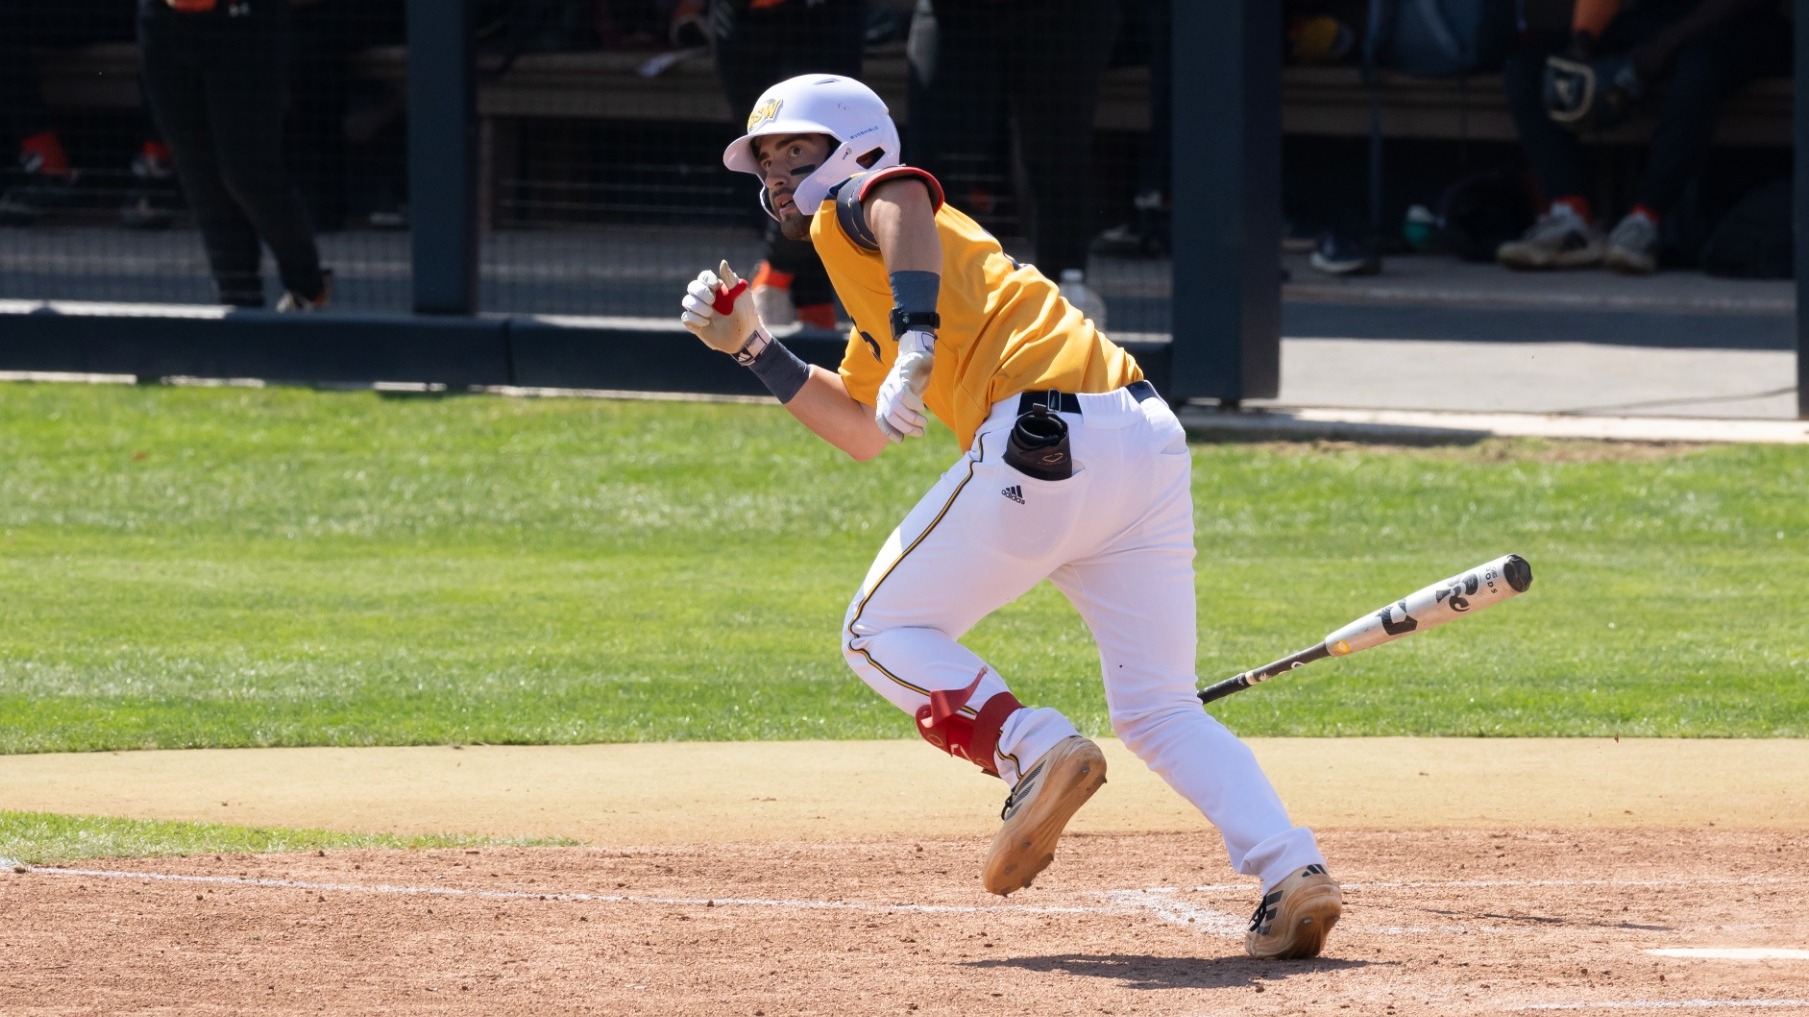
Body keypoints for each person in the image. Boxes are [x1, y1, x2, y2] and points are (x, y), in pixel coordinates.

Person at [677, 73, 1343, 960]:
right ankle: (1291, 870)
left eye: (796, 150)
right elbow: (862, 430)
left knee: (875, 630)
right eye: (765, 158)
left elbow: (898, 196)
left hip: (1044, 437)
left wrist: (919, 335)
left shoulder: (862, 208)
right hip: (1139, 442)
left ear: (852, 150)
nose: (776, 172)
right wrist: (754, 348)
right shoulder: (870, 278)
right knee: (1158, 708)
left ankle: (1030, 746)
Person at [1496, 0, 1792, 274]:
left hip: (1741, 20)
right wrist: (1583, 40)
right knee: (1528, 67)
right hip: (1659, 18)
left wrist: (1665, 44)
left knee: (1699, 67)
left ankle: (1646, 221)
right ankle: (1571, 219)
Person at [905, 0, 1118, 319]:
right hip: (954, 17)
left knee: (1058, 157)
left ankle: (1062, 309)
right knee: (937, 166)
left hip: (1063, 16)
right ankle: (926, 311)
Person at [137, 0, 332, 310]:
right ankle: (238, 305)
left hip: (245, 25)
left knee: (247, 175)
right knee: (201, 179)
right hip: (163, 24)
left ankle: (308, 287)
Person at [705, 0, 867, 331]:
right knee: (765, 158)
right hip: (744, 19)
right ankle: (813, 311)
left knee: (817, 160)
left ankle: (776, 276)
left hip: (821, 18)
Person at [0, 0, 179, 229]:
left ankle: (156, 175)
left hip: (136, 12)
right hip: (72, 11)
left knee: (167, 11)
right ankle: (50, 169)